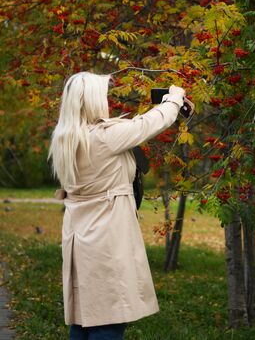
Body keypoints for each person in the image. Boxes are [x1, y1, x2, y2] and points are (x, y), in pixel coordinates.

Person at [47, 71, 194, 339]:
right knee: (110, 317)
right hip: (106, 235)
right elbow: (149, 123)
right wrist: (173, 99)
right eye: (102, 95)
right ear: (92, 101)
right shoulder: (104, 137)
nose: (106, 100)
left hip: (79, 233)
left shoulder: (65, 137)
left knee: (84, 317)